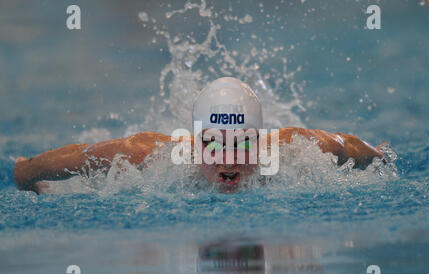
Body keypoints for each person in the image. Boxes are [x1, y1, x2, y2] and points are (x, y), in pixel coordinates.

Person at [13, 77, 386, 194]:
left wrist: (381, 157)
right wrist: (26, 173)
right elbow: (85, 154)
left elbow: (350, 147)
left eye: (242, 143)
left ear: (261, 141)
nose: (228, 159)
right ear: (195, 143)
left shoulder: (294, 149)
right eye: (214, 144)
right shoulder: (153, 156)